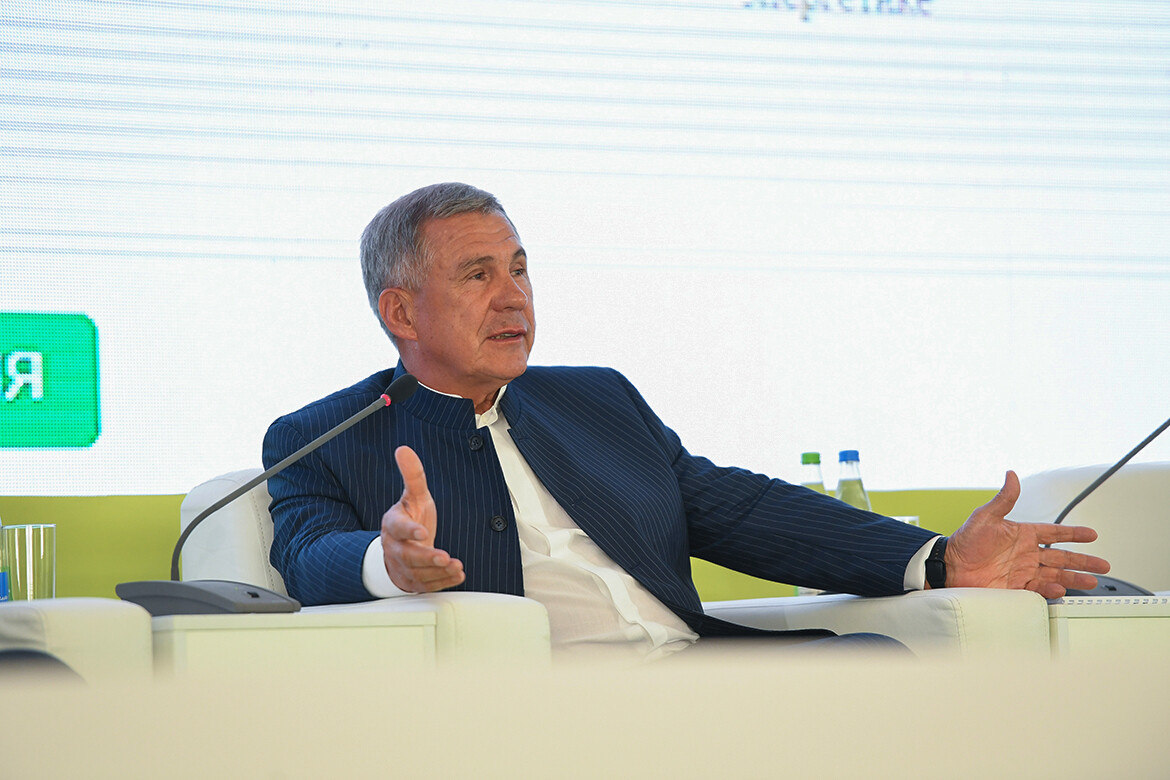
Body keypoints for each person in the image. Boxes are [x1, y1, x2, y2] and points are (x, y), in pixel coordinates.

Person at [263, 182, 1109, 663]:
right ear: (401, 311)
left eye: (520, 269)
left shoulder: (596, 398)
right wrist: (389, 562)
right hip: (540, 705)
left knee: (878, 663)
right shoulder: (324, 436)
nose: (514, 296)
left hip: (698, 670)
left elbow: (738, 508)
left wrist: (938, 559)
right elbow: (305, 555)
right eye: (478, 275)